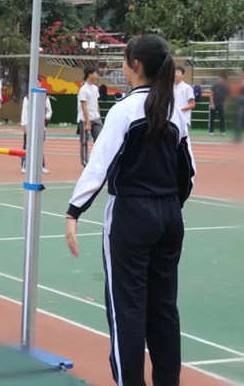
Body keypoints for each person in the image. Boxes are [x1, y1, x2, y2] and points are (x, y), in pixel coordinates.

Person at [65, 34, 195, 386]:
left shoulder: (124, 110)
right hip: (169, 215)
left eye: (124, 60)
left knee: (128, 312)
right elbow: (188, 172)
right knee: (164, 310)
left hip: (131, 216)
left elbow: (99, 164)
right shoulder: (172, 111)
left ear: (134, 65)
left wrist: (74, 211)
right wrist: (170, 206)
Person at [20, 92, 52, 174]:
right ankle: (24, 165)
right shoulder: (27, 97)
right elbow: (24, 111)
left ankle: (41, 166)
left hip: (40, 126)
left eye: (38, 85)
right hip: (30, 125)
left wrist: (45, 121)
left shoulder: (45, 97)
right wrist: (25, 125)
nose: (37, 86)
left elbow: (49, 111)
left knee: (39, 146)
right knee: (27, 145)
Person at [77, 66, 102, 167]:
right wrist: (87, 122)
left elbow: (96, 103)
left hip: (96, 118)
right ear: (89, 74)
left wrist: (98, 115)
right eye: (95, 73)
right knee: (84, 142)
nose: (96, 75)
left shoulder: (95, 88)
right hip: (85, 119)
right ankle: (85, 162)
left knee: (100, 140)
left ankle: (97, 161)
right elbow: (84, 106)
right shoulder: (83, 89)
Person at [173, 65, 195, 131]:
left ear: (182, 75)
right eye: (174, 72)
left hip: (184, 120)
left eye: (178, 72)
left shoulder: (187, 88)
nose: (175, 74)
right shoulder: (169, 87)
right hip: (172, 120)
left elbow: (192, 104)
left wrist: (178, 110)